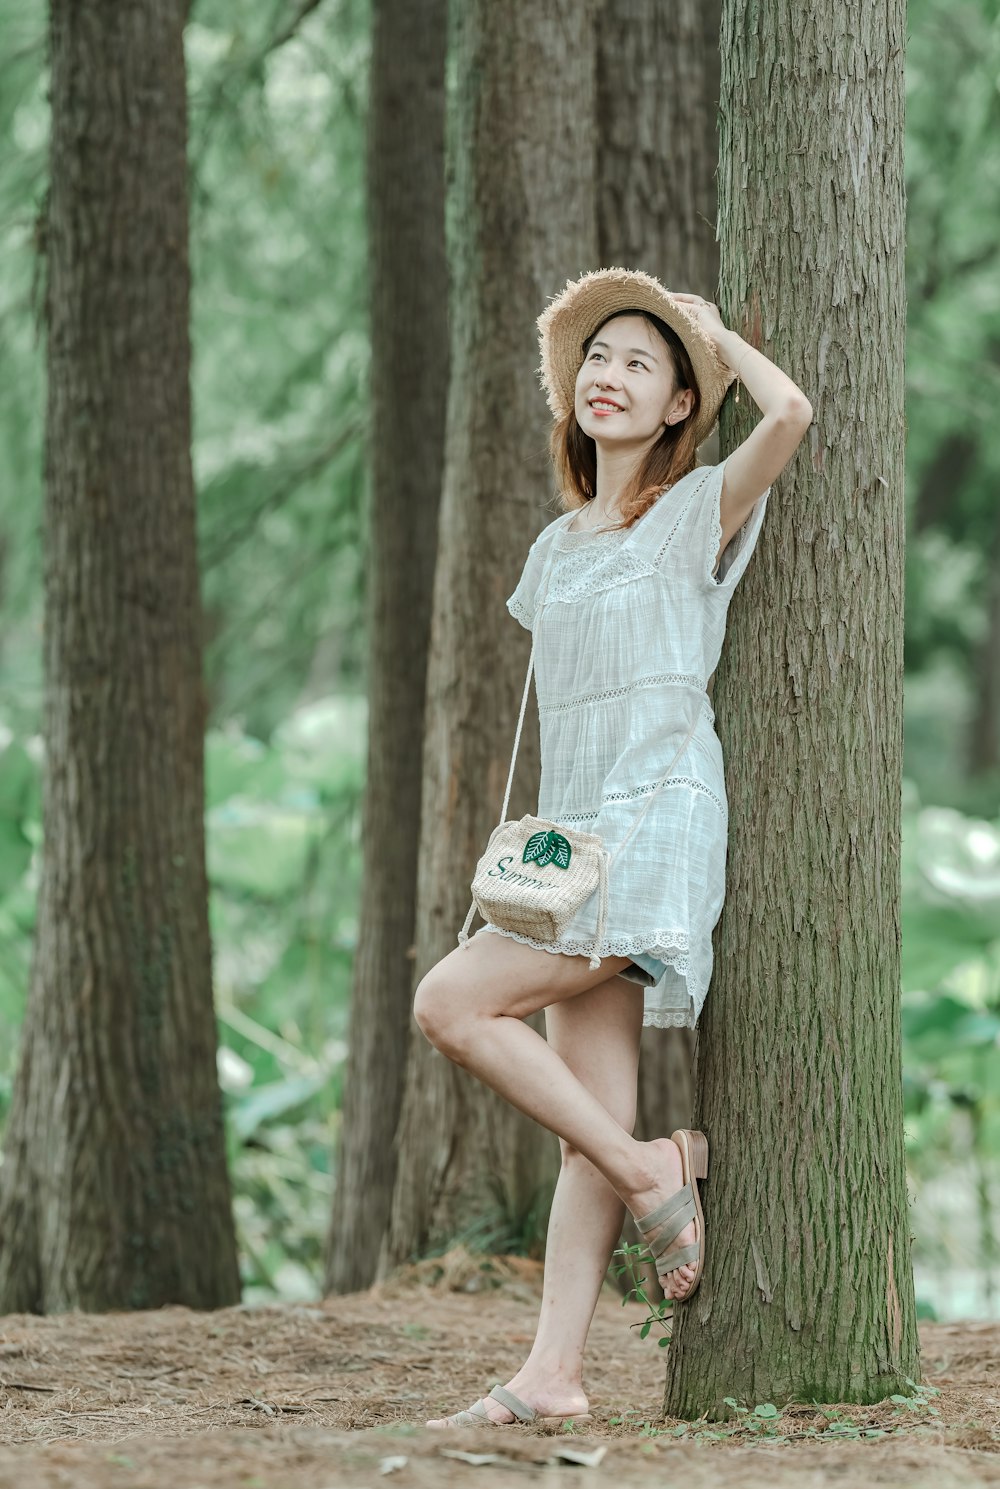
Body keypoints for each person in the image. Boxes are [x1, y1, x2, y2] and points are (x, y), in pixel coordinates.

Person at [413, 267, 812, 1430]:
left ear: (681, 403)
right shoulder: (555, 544)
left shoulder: (695, 508)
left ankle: (653, 1171)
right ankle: (551, 1377)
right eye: (598, 358)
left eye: (641, 364)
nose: (609, 375)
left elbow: (787, 415)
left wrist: (711, 335)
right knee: (585, 1116)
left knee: (451, 1002)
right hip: (570, 839)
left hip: (660, 808)